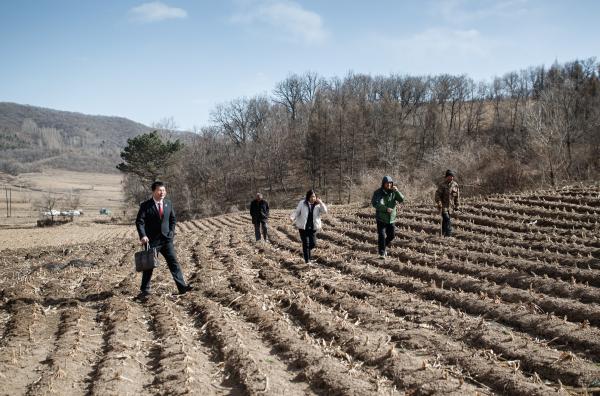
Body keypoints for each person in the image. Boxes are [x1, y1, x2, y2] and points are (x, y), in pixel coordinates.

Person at [135, 181, 191, 298]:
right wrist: (143, 235)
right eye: (160, 190)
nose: (162, 193)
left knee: (173, 263)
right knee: (149, 266)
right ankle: (144, 290)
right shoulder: (145, 205)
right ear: (154, 191)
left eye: (164, 190)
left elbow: (173, 219)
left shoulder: (168, 203)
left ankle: (182, 288)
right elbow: (140, 222)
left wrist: (171, 232)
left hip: (167, 240)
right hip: (152, 241)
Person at [371, 176, 405, 259]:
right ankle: (382, 253)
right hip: (381, 218)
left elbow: (402, 199)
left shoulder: (394, 192)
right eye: (387, 183)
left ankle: (382, 246)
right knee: (382, 235)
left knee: (391, 236)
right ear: (383, 184)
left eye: (390, 183)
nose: (389, 185)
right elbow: (375, 204)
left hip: (391, 219)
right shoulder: (378, 193)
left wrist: (397, 191)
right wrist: (386, 209)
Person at [290, 190, 328, 263]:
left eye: (314, 197)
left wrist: (321, 202)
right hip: (303, 227)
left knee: (313, 244)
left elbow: (325, 211)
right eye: (311, 197)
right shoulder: (302, 203)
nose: (312, 198)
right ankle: (307, 260)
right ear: (308, 197)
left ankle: (307, 253)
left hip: (313, 227)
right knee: (306, 243)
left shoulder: (318, 204)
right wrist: (292, 217)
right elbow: (297, 211)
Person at [435, 169, 460, 237]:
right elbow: (437, 195)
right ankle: (449, 234)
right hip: (443, 206)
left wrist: (457, 206)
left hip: (451, 207)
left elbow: (457, 196)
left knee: (445, 221)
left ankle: (443, 233)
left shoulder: (455, 185)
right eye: (449, 176)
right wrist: (439, 204)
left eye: (452, 176)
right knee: (447, 219)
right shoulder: (442, 185)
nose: (451, 177)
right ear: (446, 177)